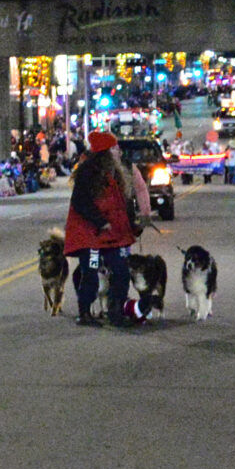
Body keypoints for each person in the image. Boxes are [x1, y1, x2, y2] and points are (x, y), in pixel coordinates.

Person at [64, 130, 141, 328]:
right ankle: (84, 312)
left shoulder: (114, 173)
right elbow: (80, 203)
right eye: (115, 148)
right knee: (90, 274)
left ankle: (116, 310)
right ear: (105, 151)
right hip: (91, 234)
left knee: (121, 271)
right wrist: (100, 221)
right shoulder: (88, 172)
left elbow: (121, 205)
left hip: (111, 235)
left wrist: (132, 226)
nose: (119, 152)